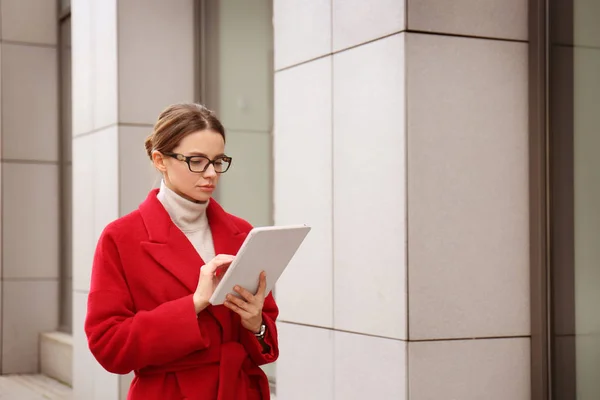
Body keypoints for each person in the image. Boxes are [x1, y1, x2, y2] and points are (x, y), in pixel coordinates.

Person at [84, 103, 279, 400]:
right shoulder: (121, 238)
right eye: (197, 161)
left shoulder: (242, 233)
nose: (212, 173)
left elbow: (267, 341)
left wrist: (256, 325)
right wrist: (193, 305)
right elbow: (109, 346)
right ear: (160, 160)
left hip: (239, 390)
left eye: (218, 161)